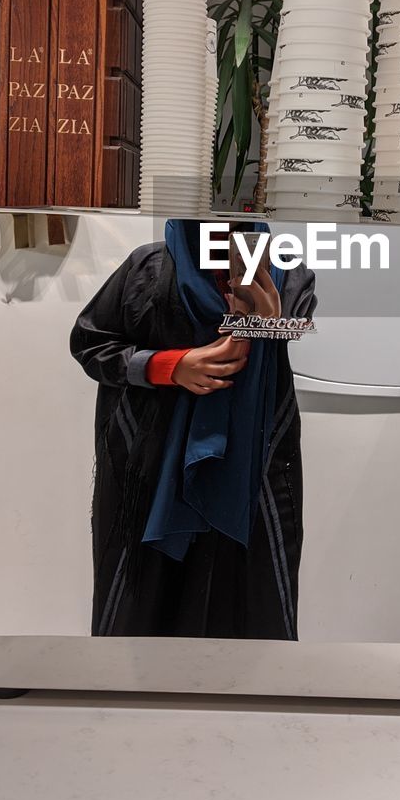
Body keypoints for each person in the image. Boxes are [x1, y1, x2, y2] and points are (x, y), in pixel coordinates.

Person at [70, 218, 316, 640]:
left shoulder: (287, 269)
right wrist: (170, 366)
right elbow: (89, 342)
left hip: (251, 463)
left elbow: (291, 327)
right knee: (145, 594)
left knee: (249, 592)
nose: (222, 227)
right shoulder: (147, 266)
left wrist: (260, 319)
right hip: (154, 456)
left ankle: (245, 693)